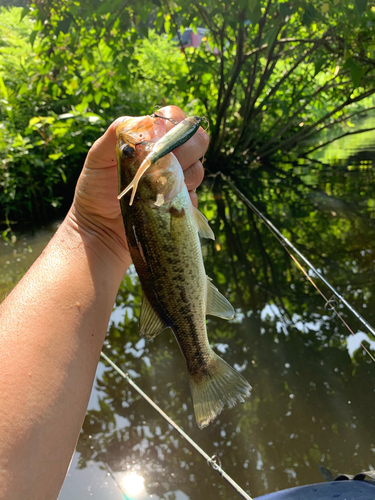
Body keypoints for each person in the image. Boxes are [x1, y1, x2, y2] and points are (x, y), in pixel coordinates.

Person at [0, 106, 209, 500]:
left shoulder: (156, 191)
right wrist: (95, 229)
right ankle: (203, 364)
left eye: (131, 153)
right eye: (131, 155)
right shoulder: (155, 192)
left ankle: (201, 360)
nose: (135, 146)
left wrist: (95, 232)